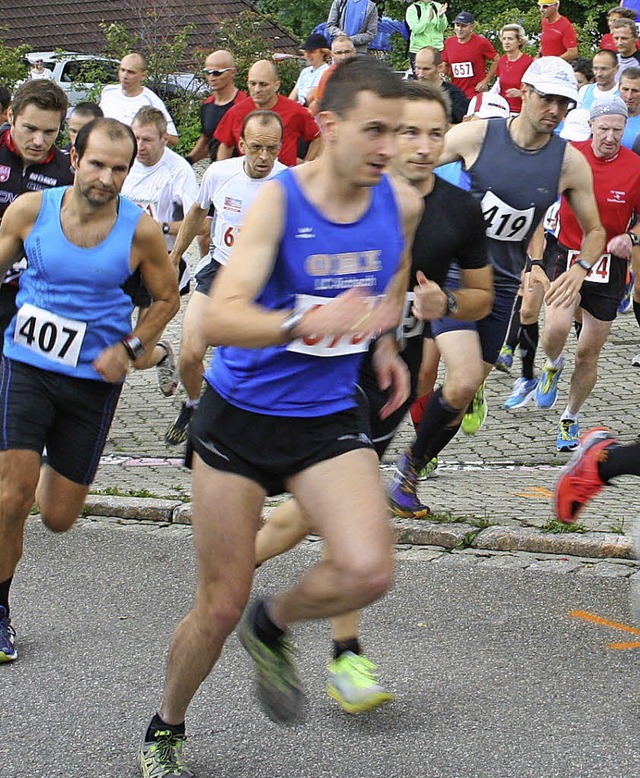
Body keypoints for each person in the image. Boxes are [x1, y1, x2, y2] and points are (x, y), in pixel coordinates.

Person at [138, 57, 423, 778]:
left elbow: (389, 275)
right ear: (328, 125)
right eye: (376, 130)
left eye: (400, 130)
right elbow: (221, 320)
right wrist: (307, 317)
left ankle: (279, 620)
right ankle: (167, 723)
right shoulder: (280, 202)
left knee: (368, 568)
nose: (391, 147)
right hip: (238, 416)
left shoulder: (400, 203)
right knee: (219, 603)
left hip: (326, 414)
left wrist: (383, 337)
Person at [253, 80, 492, 713]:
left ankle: (233, 578)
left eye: (433, 133)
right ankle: (344, 654)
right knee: (352, 525)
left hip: (393, 376)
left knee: (302, 520)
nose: (417, 145)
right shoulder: (350, 195)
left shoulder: (458, 211)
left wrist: (448, 306)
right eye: (403, 130)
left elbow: (481, 300)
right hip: (333, 379)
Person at [388, 56, 605, 519]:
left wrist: (580, 267)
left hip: (502, 287)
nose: (554, 109)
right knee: (453, 377)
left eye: (564, 102)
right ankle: (394, 467)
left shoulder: (568, 162)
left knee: (463, 389)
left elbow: (595, 230)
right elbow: (410, 165)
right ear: (523, 92)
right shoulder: (478, 135)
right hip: (453, 272)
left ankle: (412, 465)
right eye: (546, 97)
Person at [0, 117, 179, 664]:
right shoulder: (30, 211)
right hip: (25, 365)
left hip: (93, 383)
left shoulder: (140, 230)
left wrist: (130, 349)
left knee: (56, 516)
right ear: (74, 160)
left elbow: (166, 299)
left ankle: (42, 465)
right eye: (97, 163)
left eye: (118, 168)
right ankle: (0, 610)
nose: (105, 177)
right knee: (11, 497)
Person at [164, 110, 287, 446]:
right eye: (257, 147)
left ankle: (244, 424)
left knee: (247, 365)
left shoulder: (289, 183)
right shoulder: (219, 173)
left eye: (272, 149)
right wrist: (175, 256)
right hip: (218, 269)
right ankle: (193, 404)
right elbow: (198, 211)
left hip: (261, 280)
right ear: (242, 143)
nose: (264, 157)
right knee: (190, 354)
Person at [532, 98, 640, 451]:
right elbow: (537, 200)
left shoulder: (635, 167)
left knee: (588, 352)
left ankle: (570, 417)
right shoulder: (569, 157)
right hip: (567, 253)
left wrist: (632, 236)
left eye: (617, 130)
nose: (610, 137)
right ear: (591, 126)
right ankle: (551, 364)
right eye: (604, 128)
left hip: (610, 262)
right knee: (557, 327)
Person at [122, 106, 199, 397]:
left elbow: (201, 224)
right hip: (123, 264)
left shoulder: (178, 171)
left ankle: (162, 354)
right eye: (136, 138)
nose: (139, 146)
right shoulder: (123, 163)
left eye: (147, 140)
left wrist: (161, 229)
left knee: (138, 356)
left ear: (164, 139)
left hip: (159, 267)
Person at [0, 80, 74, 335]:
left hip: (30, 299)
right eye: (29, 128)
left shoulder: (67, 174)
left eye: (50, 132)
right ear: (11, 114)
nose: (38, 141)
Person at [215, 60, 321, 166]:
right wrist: (223, 173)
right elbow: (225, 145)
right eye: (252, 83)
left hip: (284, 178)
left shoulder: (295, 111)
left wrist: (306, 166)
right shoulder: (235, 112)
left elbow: (317, 138)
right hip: (251, 177)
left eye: (263, 84)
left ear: (276, 85)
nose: (257, 89)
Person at [99, 53, 178, 147]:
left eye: (131, 72)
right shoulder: (108, 92)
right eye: (122, 70)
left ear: (143, 75)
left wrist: (141, 133)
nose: (125, 75)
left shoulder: (151, 101)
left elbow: (173, 139)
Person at [184, 50, 247, 166]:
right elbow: (206, 140)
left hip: (242, 170)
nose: (212, 77)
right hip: (217, 169)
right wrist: (188, 161)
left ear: (232, 72)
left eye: (217, 73)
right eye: (208, 73)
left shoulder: (244, 105)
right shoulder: (207, 105)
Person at [442, 11, 498, 99]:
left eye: (463, 26)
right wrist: (441, 72)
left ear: (471, 27)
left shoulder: (481, 43)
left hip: (475, 94)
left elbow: (497, 60)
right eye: (457, 25)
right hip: (456, 94)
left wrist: (486, 81)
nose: (459, 29)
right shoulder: (449, 42)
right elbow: (445, 64)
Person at [414, 45, 469, 123]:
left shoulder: (455, 96)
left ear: (439, 68)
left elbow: (461, 127)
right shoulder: (409, 94)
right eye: (417, 68)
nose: (420, 74)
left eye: (426, 69)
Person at [307, 35, 357, 116]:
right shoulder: (328, 75)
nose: (343, 57)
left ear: (354, 52)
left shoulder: (365, 71)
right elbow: (317, 104)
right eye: (339, 53)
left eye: (347, 52)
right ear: (332, 55)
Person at [493, 23, 534, 114]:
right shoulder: (501, 61)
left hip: (522, 112)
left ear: (519, 41)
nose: (506, 42)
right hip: (502, 110)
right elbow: (498, 86)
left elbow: (536, 91)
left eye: (510, 39)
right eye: (504, 39)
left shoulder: (528, 62)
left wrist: (520, 93)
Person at [405, 1, 449, 72]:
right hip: (418, 51)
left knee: (438, 78)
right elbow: (416, 30)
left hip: (437, 50)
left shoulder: (437, 6)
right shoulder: (412, 9)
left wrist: (440, 17)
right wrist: (428, 20)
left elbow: (442, 28)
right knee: (421, 79)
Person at [289, 33, 330, 107]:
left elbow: (311, 98)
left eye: (312, 52)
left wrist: (295, 108)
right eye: (306, 52)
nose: (307, 55)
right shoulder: (305, 72)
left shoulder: (326, 71)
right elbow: (294, 92)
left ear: (323, 52)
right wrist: (288, 106)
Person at [618, 67, 640, 147]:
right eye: (625, 89)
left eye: (635, 91)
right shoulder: (605, 115)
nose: (629, 96)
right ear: (618, 88)